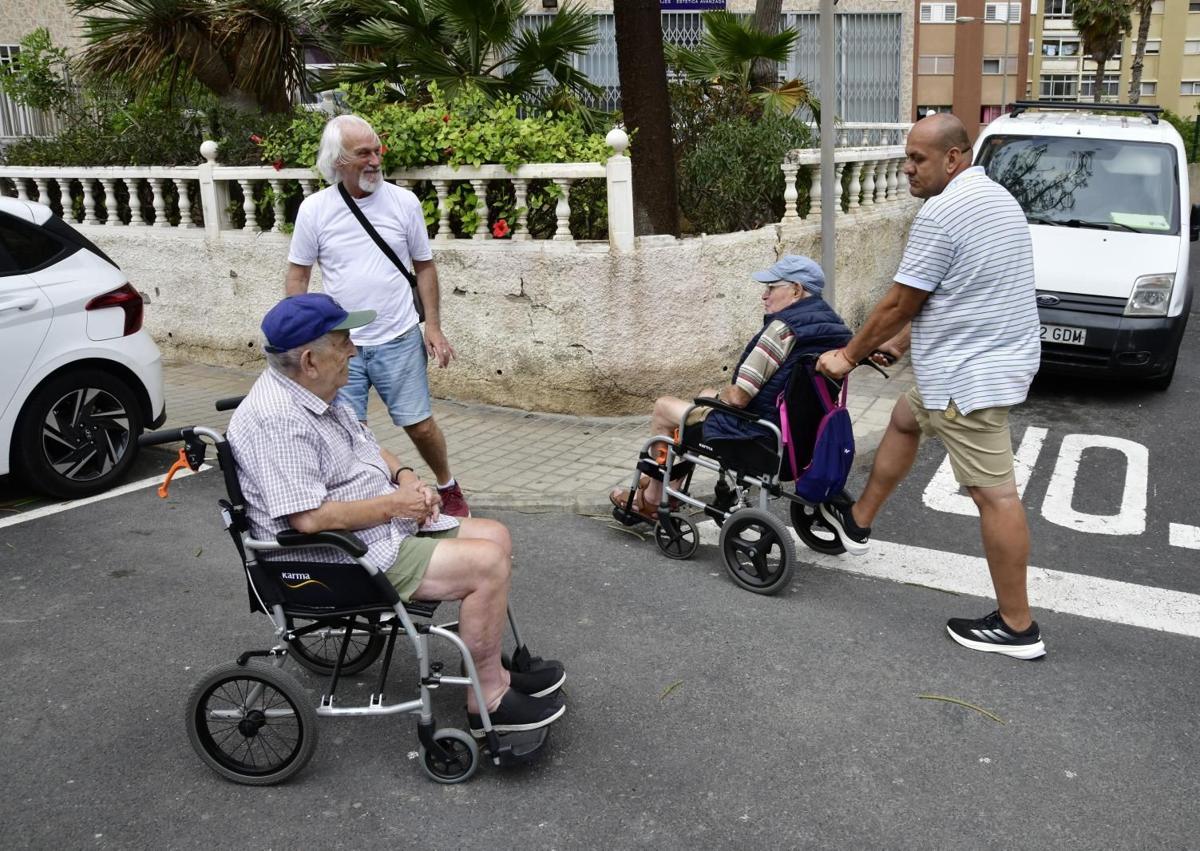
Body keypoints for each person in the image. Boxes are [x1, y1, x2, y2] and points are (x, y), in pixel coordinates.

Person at [226, 293, 566, 736]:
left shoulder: (313, 390)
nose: (353, 349)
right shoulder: (280, 421)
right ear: (310, 360)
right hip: (336, 557)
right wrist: (395, 505)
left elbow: (365, 444)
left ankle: (493, 669)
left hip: (377, 530)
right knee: (487, 566)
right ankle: (490, 702)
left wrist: (406, 478)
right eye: (344, 340)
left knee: (496, 536)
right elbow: (308, 520)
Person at [815, 113, 1044, 660]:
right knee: (903, 416)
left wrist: (848, 357)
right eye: (907, 156)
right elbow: (967, 290)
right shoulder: (995, 198)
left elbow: (900, 300)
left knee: (997, 497)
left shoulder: (942, 213)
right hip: (982, 362)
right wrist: (905, 341)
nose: (908, 168)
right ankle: (859, 520)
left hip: (970, 377)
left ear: (954, 158)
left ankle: (1018, 626)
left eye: (918, 159)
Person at [284, 114, 470, 518]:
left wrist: (432, 326)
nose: (374, 160)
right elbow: (298, 276)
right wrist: (300, 341)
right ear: (338, 162)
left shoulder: (404, 203)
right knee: (353, 433)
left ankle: (448, 484)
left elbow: (424, 266)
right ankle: (376, 502)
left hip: (398, 336)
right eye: (363, 153)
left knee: (419, 424)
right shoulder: (315, 210)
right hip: (339, 345)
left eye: (376, 150)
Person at [610, 255, 852, 520]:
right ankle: (671, 485)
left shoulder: (783, 330)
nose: (764, 295)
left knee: (663, 408)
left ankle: (653, 498)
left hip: (755, 434)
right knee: (702, 399)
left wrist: (722, 393)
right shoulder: (835, 329)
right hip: (800, 438)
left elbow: (738, 397)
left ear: (795, 290)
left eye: (771, 287)